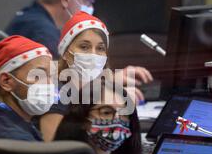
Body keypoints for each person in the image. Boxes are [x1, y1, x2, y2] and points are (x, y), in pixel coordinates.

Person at [39, 11, 153, 142]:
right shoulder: (56, 96)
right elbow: (54, 153)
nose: (93, 55)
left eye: (100, 48)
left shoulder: (93, 90)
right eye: (84, 47)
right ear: (65, 53)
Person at [0, 35, 55, 141]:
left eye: (50, 76)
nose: (49, 84)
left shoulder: (13, 121)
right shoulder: (16, 142)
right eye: (37, 76)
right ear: (6, 82)